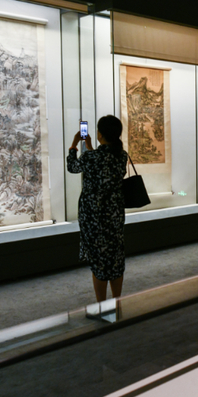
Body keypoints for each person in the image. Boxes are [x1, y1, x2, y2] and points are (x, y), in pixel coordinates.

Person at [67, 115, 128, 302]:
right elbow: (103, 165)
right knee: (115, 258)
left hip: (93, 217)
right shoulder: (122, 156)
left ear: (100, 134)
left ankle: (102, 305)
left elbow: (72, 167)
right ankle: (117, 302)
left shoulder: (90, 157)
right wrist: (90, 146)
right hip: (114, 214)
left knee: (99, 261)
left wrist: (74, 145)